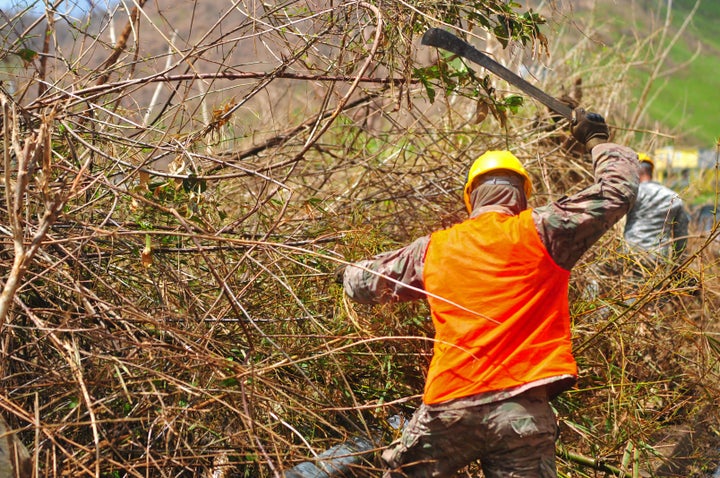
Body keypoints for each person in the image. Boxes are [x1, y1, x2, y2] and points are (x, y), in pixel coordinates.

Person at [334, 108, 640, 478]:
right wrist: (596, 139)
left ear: (471, 197)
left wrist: (343, 272)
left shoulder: (434, 249)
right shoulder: (544, 231)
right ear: (523, 195)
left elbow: (366, 281)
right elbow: (616, 191)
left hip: (450, 409)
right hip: (522, 414)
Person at [623, 153, 690, 270]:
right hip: (658, 258)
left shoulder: (632, 194)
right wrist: (677, 265)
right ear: (650, 172)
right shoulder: (673, 198)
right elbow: (681, 235)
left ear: (635, 173)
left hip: (631, 256)